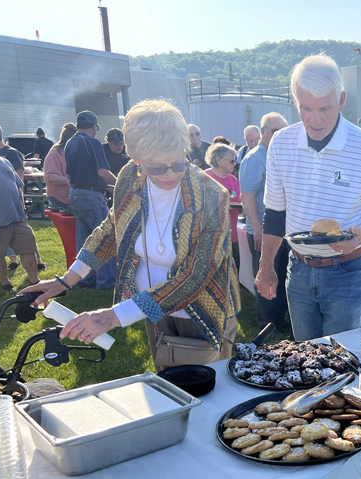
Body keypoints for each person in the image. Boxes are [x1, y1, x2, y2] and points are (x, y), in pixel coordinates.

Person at [24, 100, 240, 371]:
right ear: (136, 160)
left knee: (204, 387)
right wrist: (67, 280)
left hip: (200, 310)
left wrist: (113, 316)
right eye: (157, 168)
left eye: (177, 163)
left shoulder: (212, 196)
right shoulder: (130, 177)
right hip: (148, 302)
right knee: (168, 376)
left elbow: (196, 275)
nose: (170, 174)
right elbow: (113, 229)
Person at [255, 55, 361, 341]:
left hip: (350, 272)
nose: (315, 119)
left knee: (343, 362)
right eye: (305, 108)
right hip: (299, 270)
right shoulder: (281, 143)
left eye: (325, 108)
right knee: (306, 362)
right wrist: (265, 266)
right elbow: (274, 214)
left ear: (342, 100)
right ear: (294, 100)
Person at [239, 112, 289, 331]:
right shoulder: (254, 159)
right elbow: (247, 197)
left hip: (282, 230)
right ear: (263, 132)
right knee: (266, 274)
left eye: (283, 131)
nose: (281, 136)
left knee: (281, 274)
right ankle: (266, 324)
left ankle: (279, 321)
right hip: (263, 230)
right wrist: (258, 229)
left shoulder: (279, 154)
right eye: (276, 131)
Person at [0, 125, 41, 291]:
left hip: (18, 217)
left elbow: (18, 187)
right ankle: (5, 282)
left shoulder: (5, 161)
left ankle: (34, 280)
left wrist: (23, 211)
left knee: (28, 249)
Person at [65, 110, 117, 289]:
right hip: (91, 196)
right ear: (94, 126)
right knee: (104, 239)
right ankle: (106, 282)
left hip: (75, 193)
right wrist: (119, 184)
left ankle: (83, 279)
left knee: (84, 240)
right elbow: (102, 172)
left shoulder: (69, 143)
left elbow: (72, 174)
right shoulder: (93, 142)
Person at [43, 122, 76, 210]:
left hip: (73, 197)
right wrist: (68, 180)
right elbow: (50, 176)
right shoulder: (55, 153)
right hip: (58, 198)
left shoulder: (75, 151)